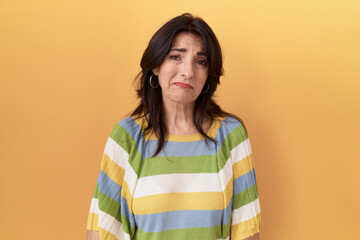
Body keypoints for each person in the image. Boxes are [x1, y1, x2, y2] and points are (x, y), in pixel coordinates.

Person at [86, 13, 262, 240]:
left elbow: (247, 231)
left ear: (208, 75)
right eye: (176, 57)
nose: (188, 71)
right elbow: (100, 231)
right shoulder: (126, 137)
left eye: (200, 61)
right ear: (156, 66)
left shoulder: (230, 135)